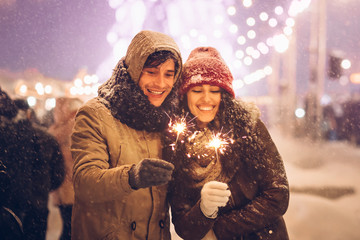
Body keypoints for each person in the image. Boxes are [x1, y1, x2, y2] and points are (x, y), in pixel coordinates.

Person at [163, 47, 290, 240]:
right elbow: (183, 227)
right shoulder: (176, 142)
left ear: (225, 94)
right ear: (185, 94)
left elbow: (278, 195)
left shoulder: (248, 128)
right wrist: (204, 210)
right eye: (197, 90)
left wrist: (220, 230)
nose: (206, 98)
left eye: (214, 90)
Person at [70, 30, 182, 239]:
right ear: (134, 70)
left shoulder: (169, 119)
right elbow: (85, 183)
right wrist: (132, 177)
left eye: (169, 74)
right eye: (151, 72)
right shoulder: (96, 114)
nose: (160, 83)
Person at [0, 87, 65, 240]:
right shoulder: (46, 137)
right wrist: (42, 188)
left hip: (9, 207)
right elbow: (58, 174)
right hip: (38, 206)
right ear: (29, 114)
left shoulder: (5, 138)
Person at [48, 97, 83, 240]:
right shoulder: (69, 127)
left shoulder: (59, 129)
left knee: (70, 226)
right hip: (70, 184)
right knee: (71, 226)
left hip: (66, 184)